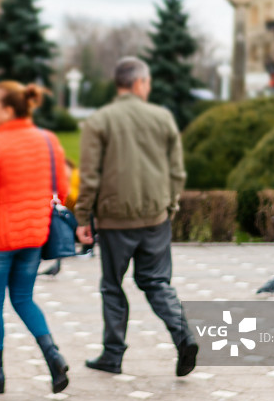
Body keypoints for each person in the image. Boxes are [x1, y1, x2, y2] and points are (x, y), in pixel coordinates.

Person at [75, 56, 198, 377]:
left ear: (119, 84)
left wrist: (83, 218)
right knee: (157, 282)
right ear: (140, 83)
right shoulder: (162, 117)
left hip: (116, 219)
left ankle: (113, 355)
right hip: (156, 217)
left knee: (112, 286)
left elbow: (89, 175)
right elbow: (177, 171)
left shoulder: (100, 120)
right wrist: (168, 206)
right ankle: (183, 335)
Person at [0, 81, 70, 395]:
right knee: (23, 298)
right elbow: (62, 190)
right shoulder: (48, 140)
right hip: (34, 235)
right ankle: (53, 355)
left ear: (7, 110)